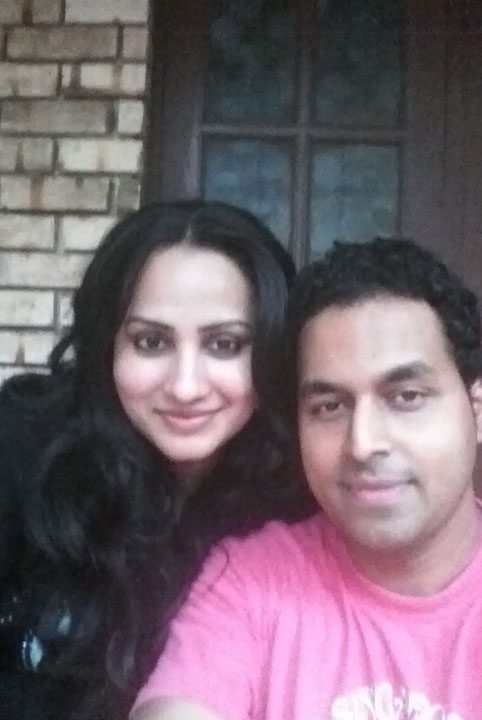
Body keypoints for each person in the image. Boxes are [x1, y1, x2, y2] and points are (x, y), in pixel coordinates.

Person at [131, 238, 482, 720]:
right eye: (330, 406)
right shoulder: (253, 581)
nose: (363, 443)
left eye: (406, 397)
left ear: (477, 407)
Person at [0, 200, 315, 720]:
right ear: (107, 345)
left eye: (225, 344)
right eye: (151, 342)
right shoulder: (24, 446)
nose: (185, 386)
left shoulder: (298, 498)